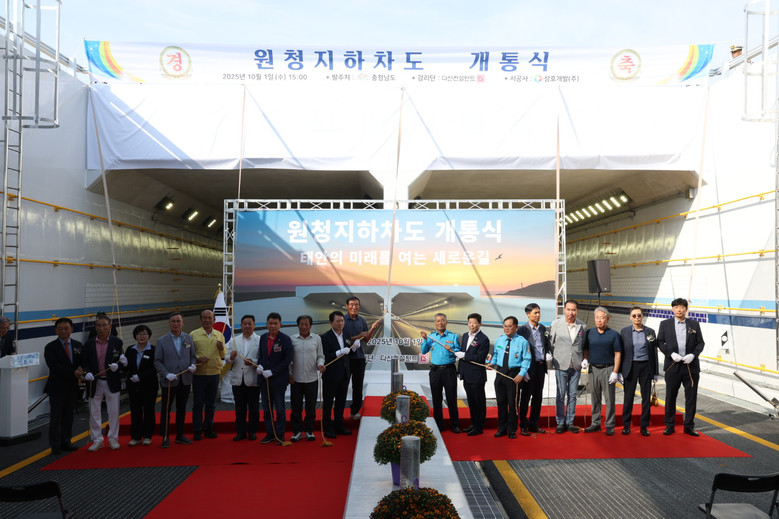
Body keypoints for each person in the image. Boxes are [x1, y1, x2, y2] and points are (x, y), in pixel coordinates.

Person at [657, 297, 705, 437]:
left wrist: (693, 355)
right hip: (673, 366)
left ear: (686, 309)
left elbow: (700, 343)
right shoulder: (665, 324)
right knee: (670, 397)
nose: (679, 310)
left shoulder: (694, 324)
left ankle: (689, 426)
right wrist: (670, 354)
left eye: (682, 307)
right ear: (672, 309)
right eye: (676, 307)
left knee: (691, 398)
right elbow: (660, 342)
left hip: (690, 366)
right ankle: (669, 425)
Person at [82, 313, 125, 451]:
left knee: (113, 411)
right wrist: (86, 372)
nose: (101, 328)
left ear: (110, 326)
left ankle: (113, 438)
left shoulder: (117, 342)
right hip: (95, 381)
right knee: (94, 412)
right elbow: (84, 362)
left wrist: (119, 365)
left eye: (104, 325)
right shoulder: (89, 344)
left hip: (112, 381)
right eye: (98, 325)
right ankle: (97, 440)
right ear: (95, 327)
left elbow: (122, 360)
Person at [154, 312, 197, 448]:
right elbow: (157, 361)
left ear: (183, 323)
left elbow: (193, 356)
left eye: (178, 321)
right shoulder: (161, 341)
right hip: (169, 380)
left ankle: (180, 435)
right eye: (173, 321)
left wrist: (193, 365)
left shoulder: (188, 338)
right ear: (169, 323)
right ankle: (165, 436)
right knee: (166, 409)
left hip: (185, 379)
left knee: (182, 408)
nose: (176, 324)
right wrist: (166, 374)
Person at [43, 317, 84, 454]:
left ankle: (66, 442)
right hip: (57, 387)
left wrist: (81, 369)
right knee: (56, 418)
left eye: (66, 328)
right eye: (60, 329)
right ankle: (55, 445)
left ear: (72, 329)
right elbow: (54, 366)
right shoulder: (50, 347)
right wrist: (73, 372)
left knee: (68, 417)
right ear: (56, 330)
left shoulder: (78, 345)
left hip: (72, 387)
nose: (63, 331)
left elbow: (82, 361)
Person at [487, 316, 532, 439]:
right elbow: (495, 355)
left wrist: (521, 374)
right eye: (505, 326)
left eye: (509, 326)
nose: (506, 328)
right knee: (501, 403)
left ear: (516, 327)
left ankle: (512, 429)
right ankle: (501, 428)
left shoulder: (522, 342)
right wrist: (492, 363)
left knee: (513, 404)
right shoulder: (499, 340)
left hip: (514, 374)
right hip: (501, 373)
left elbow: (527, 359)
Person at [582, 307, 623, 436]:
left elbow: (618, 353)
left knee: (609, 398)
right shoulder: (589, 333)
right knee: (595, 397)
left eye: (602, 318)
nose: (599, 320)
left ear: (607, 319)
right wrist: (585, 359)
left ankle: (610, 424)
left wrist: (615, 371)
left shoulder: (614, 334)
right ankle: (595, 423)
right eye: (597, 318)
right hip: (593, 369)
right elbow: (586, 349)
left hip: (608, 369)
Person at [620, 306, 658, 437]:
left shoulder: (650, 332)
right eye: (634, 316)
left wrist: (655, 372)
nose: (637, 318)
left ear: (643, 316)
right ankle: (626, 425)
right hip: (630, 367)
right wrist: (619, 371)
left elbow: (653, 352)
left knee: (646, 398)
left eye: (639, 315)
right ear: (630, 317)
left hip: (646, 367)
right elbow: (621, 352)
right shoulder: (625, 331)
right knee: (628, 397)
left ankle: (644, 426)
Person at [420, 313, 461, 433]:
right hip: (435, 371)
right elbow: (423, 351)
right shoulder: (431, 337)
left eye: (442, 320)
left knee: (451, 398)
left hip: (449, 370)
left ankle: (455, 424)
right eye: (438, 321)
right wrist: (425, 340)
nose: (440, 323)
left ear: (446, 322)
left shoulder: (453, 336)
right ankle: (439, 424)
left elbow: (459, 352)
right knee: (436, 399)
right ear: (435, 323)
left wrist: (452, 349)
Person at [549, 299, 586, 434]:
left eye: (573, 310)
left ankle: (570, 422)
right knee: (560, 394)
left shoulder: (582, 326)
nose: (571, 312)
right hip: (561, 364)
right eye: (568, 309)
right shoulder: (556, 324)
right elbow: (550, 343)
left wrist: (584, 359)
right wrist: (553, 356)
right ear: (564, 310)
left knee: (572, 395)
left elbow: (583, 345)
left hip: (576, 365)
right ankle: (560, 422)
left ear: (577, 311)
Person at [257, 312, 293, 444]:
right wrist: (259, 365)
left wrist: (273, 371)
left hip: (278, 380)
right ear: (266, 324)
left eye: (275, 323)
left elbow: (287, 360)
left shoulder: (285, 339)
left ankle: (280, 434)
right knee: (267, 409)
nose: (273, 326)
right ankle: (270, 433)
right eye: (270, 323)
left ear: (280, 325)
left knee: (280, 409)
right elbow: (261, 355)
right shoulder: (263, 338)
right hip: (264, 380)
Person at [517, 303, 552, 436]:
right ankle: (523, 424)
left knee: (538, 397)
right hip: (529, 368)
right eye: (535, 313)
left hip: (541, 367)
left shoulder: (542, 328)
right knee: (526, 397)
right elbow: (520, 350)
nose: (538, 315)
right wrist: (523, 370)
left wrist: (548, 353)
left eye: (539, 312)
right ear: (528, 314)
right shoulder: (522, 330)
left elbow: (545, 344)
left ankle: (534, 423)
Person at [190, 309, 225, 441]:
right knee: (198, 404)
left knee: (211, 404)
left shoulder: (219, 335)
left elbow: (223, 355)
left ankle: (209, 428)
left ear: (214, 320)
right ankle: (197, 430)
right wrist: (198, 359)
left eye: (210, 318)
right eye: (204, 318)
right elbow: (189, 354)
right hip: (199, 374)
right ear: (200, 320)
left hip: (214, 373)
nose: (207, 320)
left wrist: (221, 348)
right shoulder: (193, 335)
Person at [225, 314, 261, 441]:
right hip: (238, 380)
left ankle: (252, 431)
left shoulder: (259, 340)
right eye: (244, 324)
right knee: (240, 408)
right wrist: (231, 357)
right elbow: (227, 359)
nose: (247, 326)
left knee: (254, 408)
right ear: (241, 325)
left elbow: (262, 359)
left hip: (253, 379)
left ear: (254, 325)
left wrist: (254, 361)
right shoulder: (234, 340)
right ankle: (240, 432)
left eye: (249, 323)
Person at [289, 314, 325, 442]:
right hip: (296, 380)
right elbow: (288, 360)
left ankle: (309, 431)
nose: (304, 327)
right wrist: (289, 374)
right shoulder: (292, 339)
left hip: (312, 379)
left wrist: (320, 364)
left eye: (306, 324)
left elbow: (320, 356)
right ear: (298, 325)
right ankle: (297, 432)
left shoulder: (317, 339)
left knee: (311, 407)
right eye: (301, 324)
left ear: (310, 326)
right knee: (296, 407)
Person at [344, 296, 380, 420]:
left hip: (359, 358)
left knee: (358, 386)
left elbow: (366, 339)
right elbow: (343, 340)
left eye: (356, 305)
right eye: (351, 304)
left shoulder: (362, 320)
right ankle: (339, 411)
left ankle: (354, 411)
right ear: (347, 306)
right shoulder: (342, 320)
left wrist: (372, 329)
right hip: (345, 358)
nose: (354, 307)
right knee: (343, 385)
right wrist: (357, 336)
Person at [455, 312, 490, 436]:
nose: (472, 325)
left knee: (479, 402)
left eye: (474, 323)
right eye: (470, 323)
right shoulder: (465, 336)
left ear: (480, 324)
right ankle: (474, 423)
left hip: (477, 376)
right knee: (471, 401)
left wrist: (464, 355)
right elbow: (463, 353)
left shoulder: (483, 339)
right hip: (466, 374)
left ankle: (479, 427)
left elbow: (480, 358)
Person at [320, 310, 352, 439]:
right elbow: (324, 356)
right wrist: (339, 352)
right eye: (338, 321)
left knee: (341, 402)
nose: (341, 323)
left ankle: (339, 425)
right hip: (330, 375)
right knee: (328, 403)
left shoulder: (346, 335)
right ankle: (328, 428)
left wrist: (354, 348)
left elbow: (349, 352)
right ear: (331, 322)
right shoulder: (325, 337)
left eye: (342, 321)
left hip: (344, 374)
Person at [125, 324, 158, 446]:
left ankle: (148, 436)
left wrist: (141, 376)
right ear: (135, 336)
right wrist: (123, 364)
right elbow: (127, 368)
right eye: (139, 334)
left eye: (144, 334)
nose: (142, 336)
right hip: (133, 386)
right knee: (135, 411)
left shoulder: (154, 350)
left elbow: (155, 368)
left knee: (149, 410)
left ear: (149, 335)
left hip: (149, 386)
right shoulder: (130, 350)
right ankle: (136, 437)